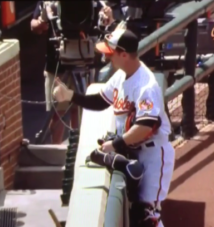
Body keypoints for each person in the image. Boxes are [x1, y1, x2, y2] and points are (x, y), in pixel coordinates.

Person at [53, 27, 175, 227]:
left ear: (124, 54)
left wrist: (115, 144)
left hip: (153, 156)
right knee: (137, 213)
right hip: (134, 152)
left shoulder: (146, 86)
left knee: (147, 216)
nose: (107, 58)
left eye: (111, 54)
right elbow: (102, 100)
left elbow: (145, 127)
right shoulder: (121, 75)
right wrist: (71, 96)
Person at [30, 1, 115, 144]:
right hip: (57, 66)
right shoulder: (50, 2)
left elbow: (106, 22)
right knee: (57, 114)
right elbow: (34, 25)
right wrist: (41, 22)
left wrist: (108, 18)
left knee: (81, 110)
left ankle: (78, 148)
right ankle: (56, 150)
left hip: (85, 63)